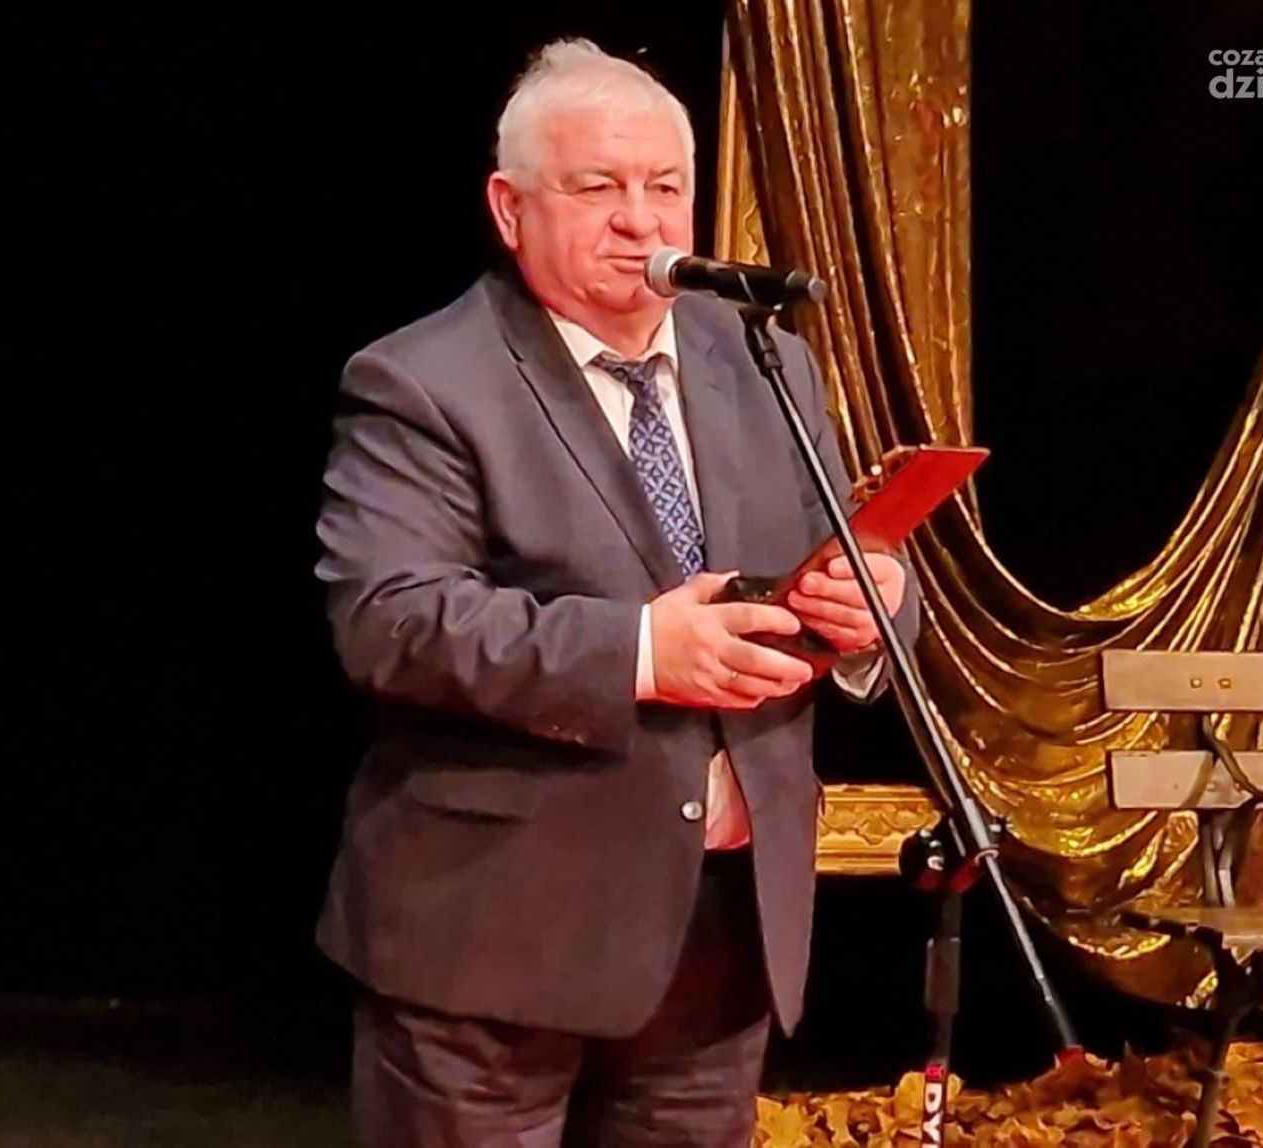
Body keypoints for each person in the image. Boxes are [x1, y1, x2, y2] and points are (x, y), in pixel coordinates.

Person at [313, 37, 919, 1147]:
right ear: (510, 208)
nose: (640, 222)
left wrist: (867, 607)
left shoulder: (765, 359)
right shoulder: (421, 380)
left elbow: (834, 563)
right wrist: (642, 651)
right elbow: (391, 618)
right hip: (498, 938)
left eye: (665, 187)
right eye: (598, 189)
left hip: (720, 937)